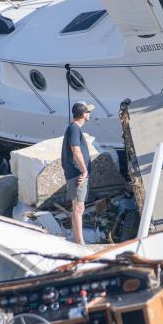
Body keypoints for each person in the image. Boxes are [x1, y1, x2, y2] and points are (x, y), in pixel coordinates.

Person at [60, 100, 93, 244]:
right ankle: (80, 243)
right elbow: (76, 149)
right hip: (77, 174)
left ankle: (77, 240)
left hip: (75, 173)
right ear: (83, 114)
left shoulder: (73, 128)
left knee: (76, 208)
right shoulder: (74, 128)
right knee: (79, 208)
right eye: (88, 111)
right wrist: (84, 171)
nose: (90, 114)